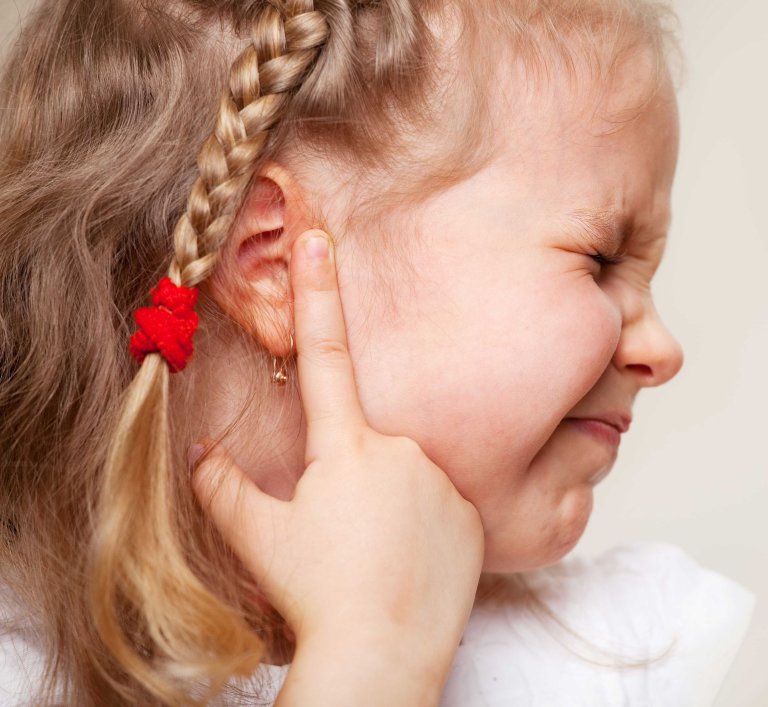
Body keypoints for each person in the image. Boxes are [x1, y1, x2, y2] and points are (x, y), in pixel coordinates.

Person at [0, 0, 755, 705]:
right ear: (276, 264)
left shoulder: (618, 658)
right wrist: (372, 660)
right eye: (600, 259)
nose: (661, 349)